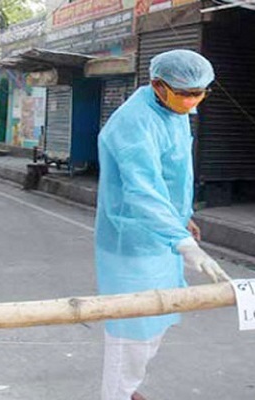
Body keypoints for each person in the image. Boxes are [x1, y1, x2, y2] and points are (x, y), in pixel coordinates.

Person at [95, 49, 230, 400]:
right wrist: (181, 241)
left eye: (199, 93)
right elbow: (143, 189)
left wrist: (183, 220)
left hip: (164, 236)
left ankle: (130, 389)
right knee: (130, 329)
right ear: (157, 84)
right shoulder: (133, 122)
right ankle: (116, 395)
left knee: (156, 319)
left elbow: (175, 174)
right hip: (132, 239)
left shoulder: (174, 111)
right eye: (186, 93)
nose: (192, 100)